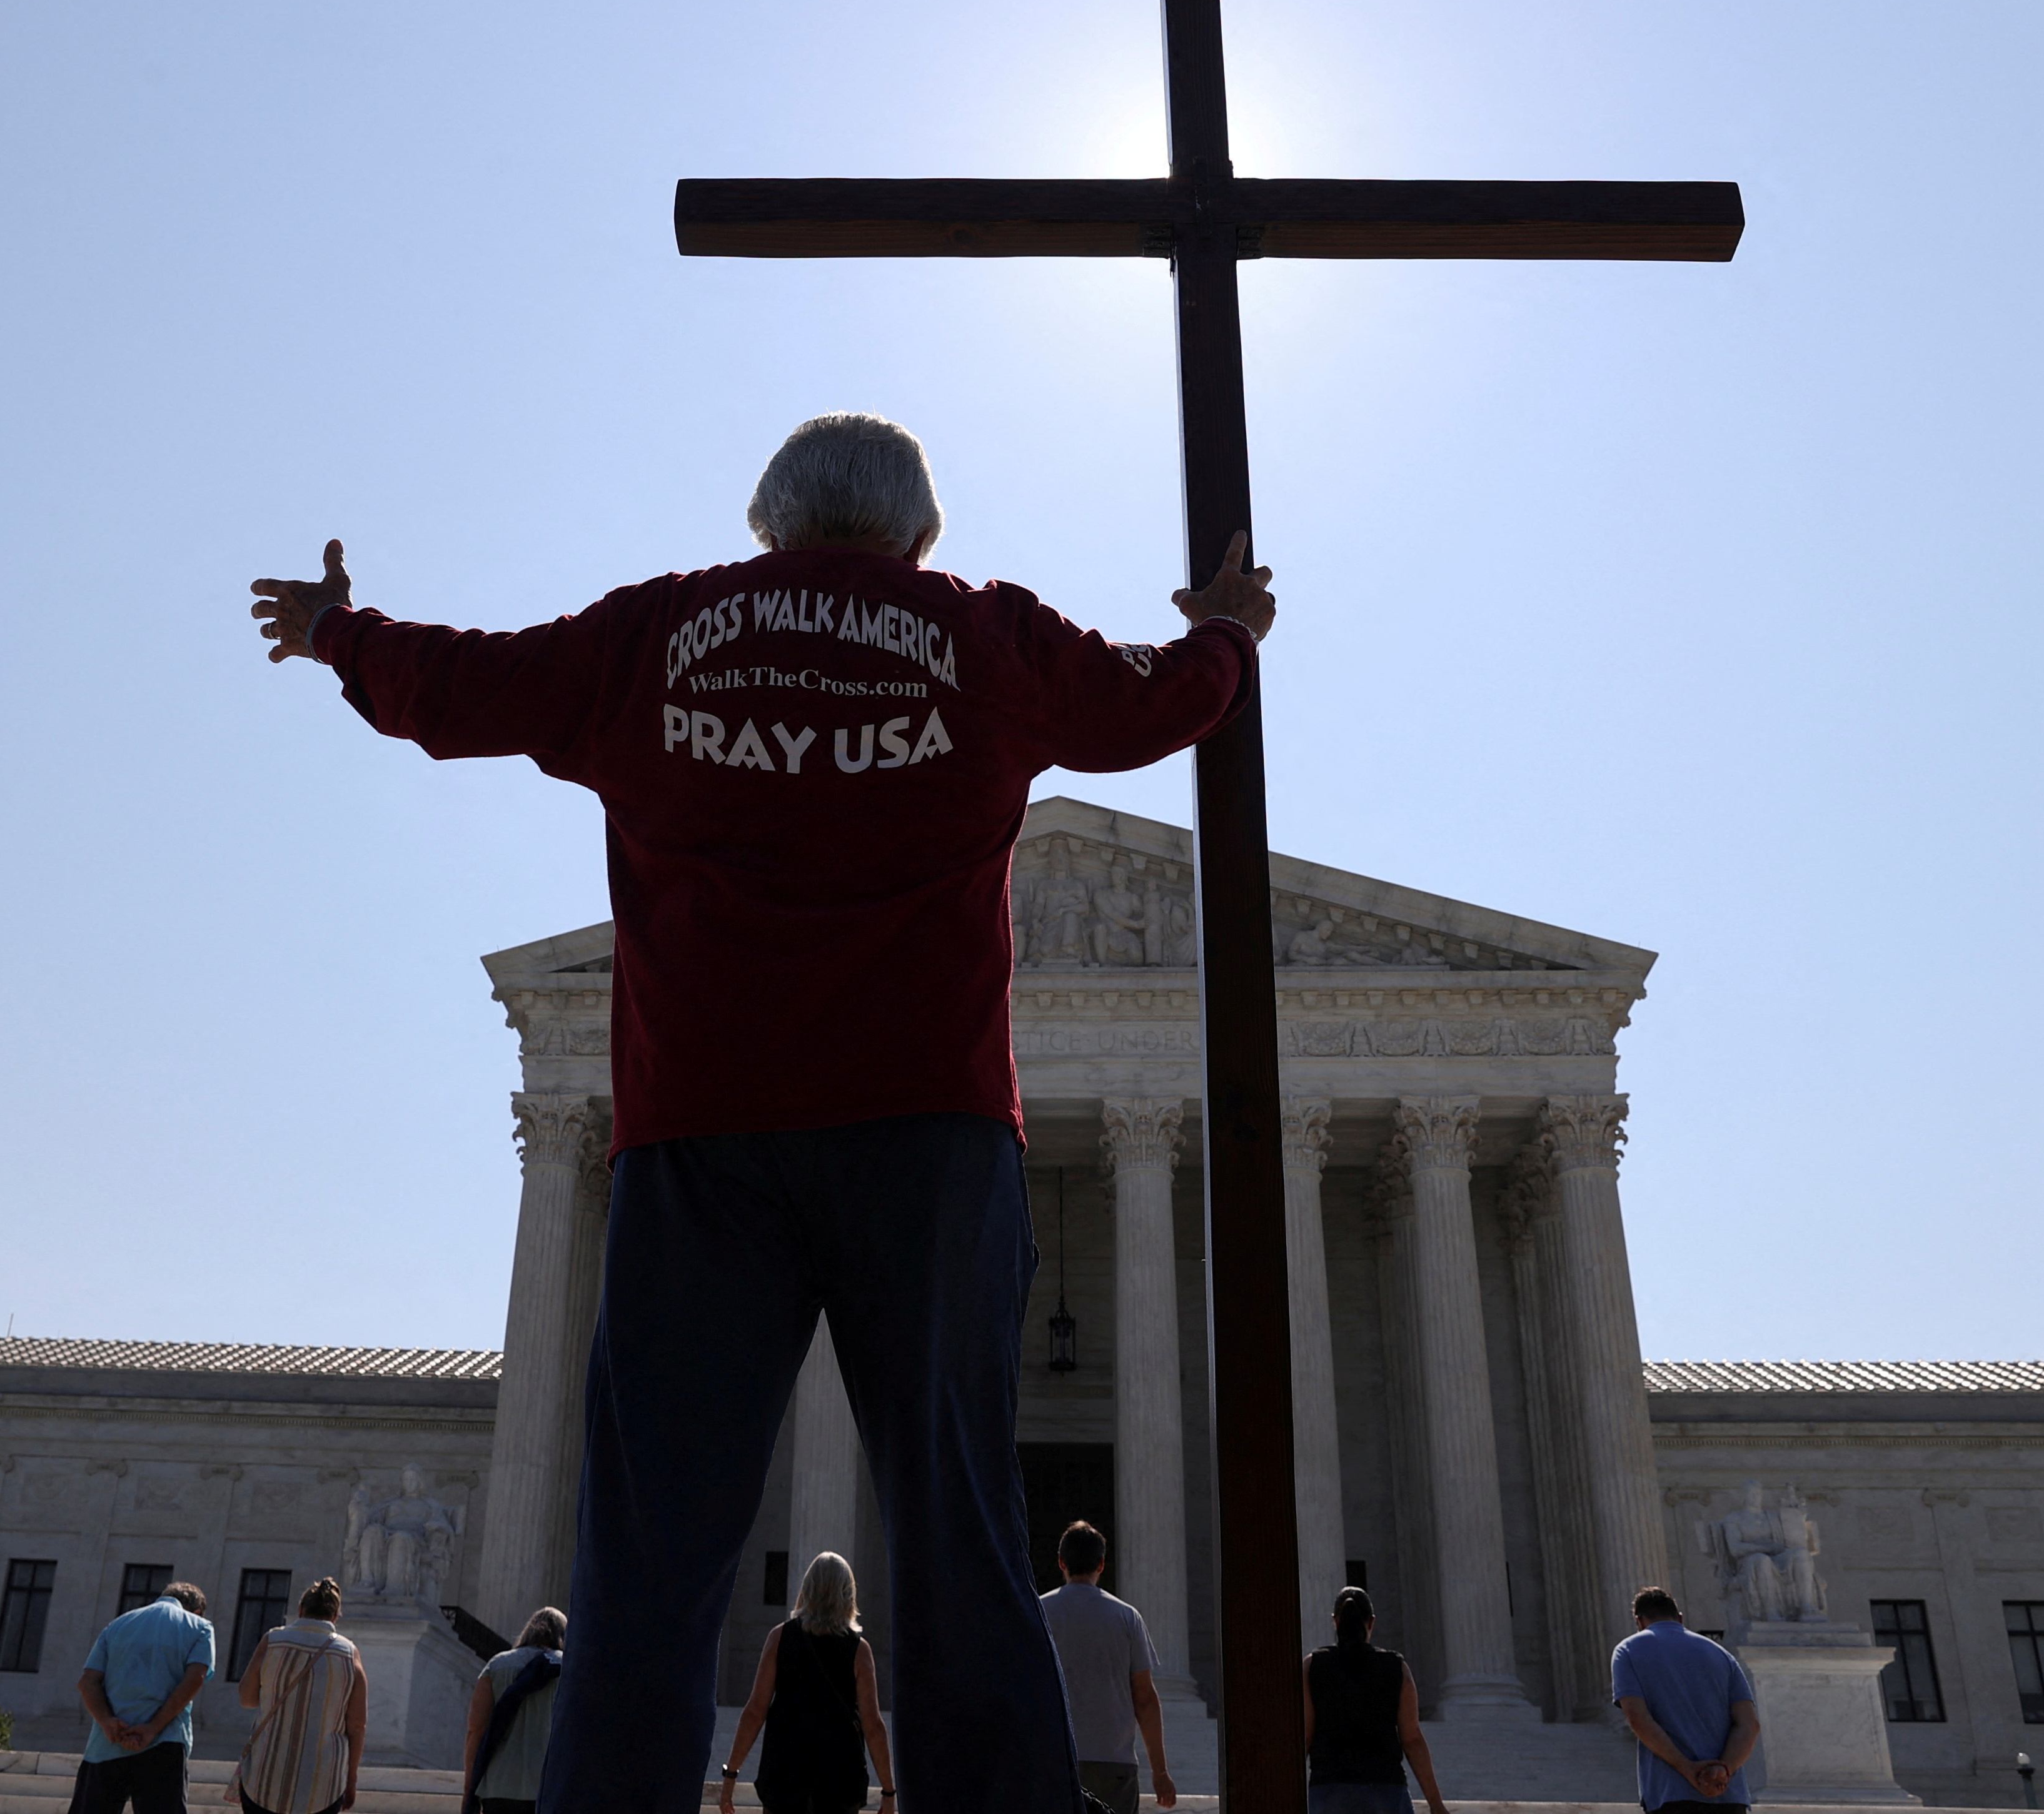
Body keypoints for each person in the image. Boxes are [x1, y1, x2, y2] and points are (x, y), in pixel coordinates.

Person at [249, 411, 1277, 1814]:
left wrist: (339, 634)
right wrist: (1227, 633)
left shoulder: (657, 636)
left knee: (653, 1557)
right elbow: (1156, 702)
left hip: (702, 1142)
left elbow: (463, 689)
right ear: (919, 533)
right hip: (928, 1134)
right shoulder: (985, 635)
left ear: (764, 524)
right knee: (965, 1538)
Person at [720, 1553, 896, 1814]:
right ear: (848, 1594)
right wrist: (889, 1792)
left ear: (807, 1590)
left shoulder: (780, 1638)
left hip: (785, 1778)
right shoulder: (859, 1651)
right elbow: (873, 1726)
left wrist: (731, 1775)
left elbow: (756, 1711)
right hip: (838, 1783)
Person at [1036, 1521, 1175, 1813]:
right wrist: (1160, 1773)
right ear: (1101, 1564)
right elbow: (1145, 1699)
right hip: (1114, 1763)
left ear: (1061, 1562)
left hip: (1053, 1759)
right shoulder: (1127, 1617)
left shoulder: (1038, 1612)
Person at [1610, 1587, 1760, 1811]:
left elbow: (1638, 1718)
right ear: (1680, 1618)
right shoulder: (1721, 1654)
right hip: (1728, 1795)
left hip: (1672, 1793)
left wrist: (1688, 1769)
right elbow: (1749, 1724)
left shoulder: (1628, 1650)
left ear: (1640, 1622)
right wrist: (1724, 1770)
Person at [71, 1580, 216, 1814]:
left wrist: (107, 1722)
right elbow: (194, 1679)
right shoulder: (200, 1627)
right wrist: (152, 1727)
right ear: (197, 1610)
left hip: (108, 1743)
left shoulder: (117, 1625)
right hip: (165, 1741)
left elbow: (88, 1681)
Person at [1302, 1586, 1447, 1814]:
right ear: (1371, 1623)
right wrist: (1436, 1805)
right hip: (1386, 1790)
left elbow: (1306, 1736)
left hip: (1329, 1789)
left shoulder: (1312, 1667)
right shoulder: (1397, 1668)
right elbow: (1411, 1739)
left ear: (1336, 1621)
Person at [230, 1577, 365, 1814]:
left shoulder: (273, 1641)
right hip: (322, 1785)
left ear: (301, 1610)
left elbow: (247, 1699)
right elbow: (357, 1725)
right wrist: (351, 1779)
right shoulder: (349, 1654)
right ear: (335, 1617)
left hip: (264, 1778)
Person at [464, 1606, 567, 1814]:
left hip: (500, 1785)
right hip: (550, 1785)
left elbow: (476, 1729)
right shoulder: (569, 1668)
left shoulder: (497, 1665)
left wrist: (469, 1790)